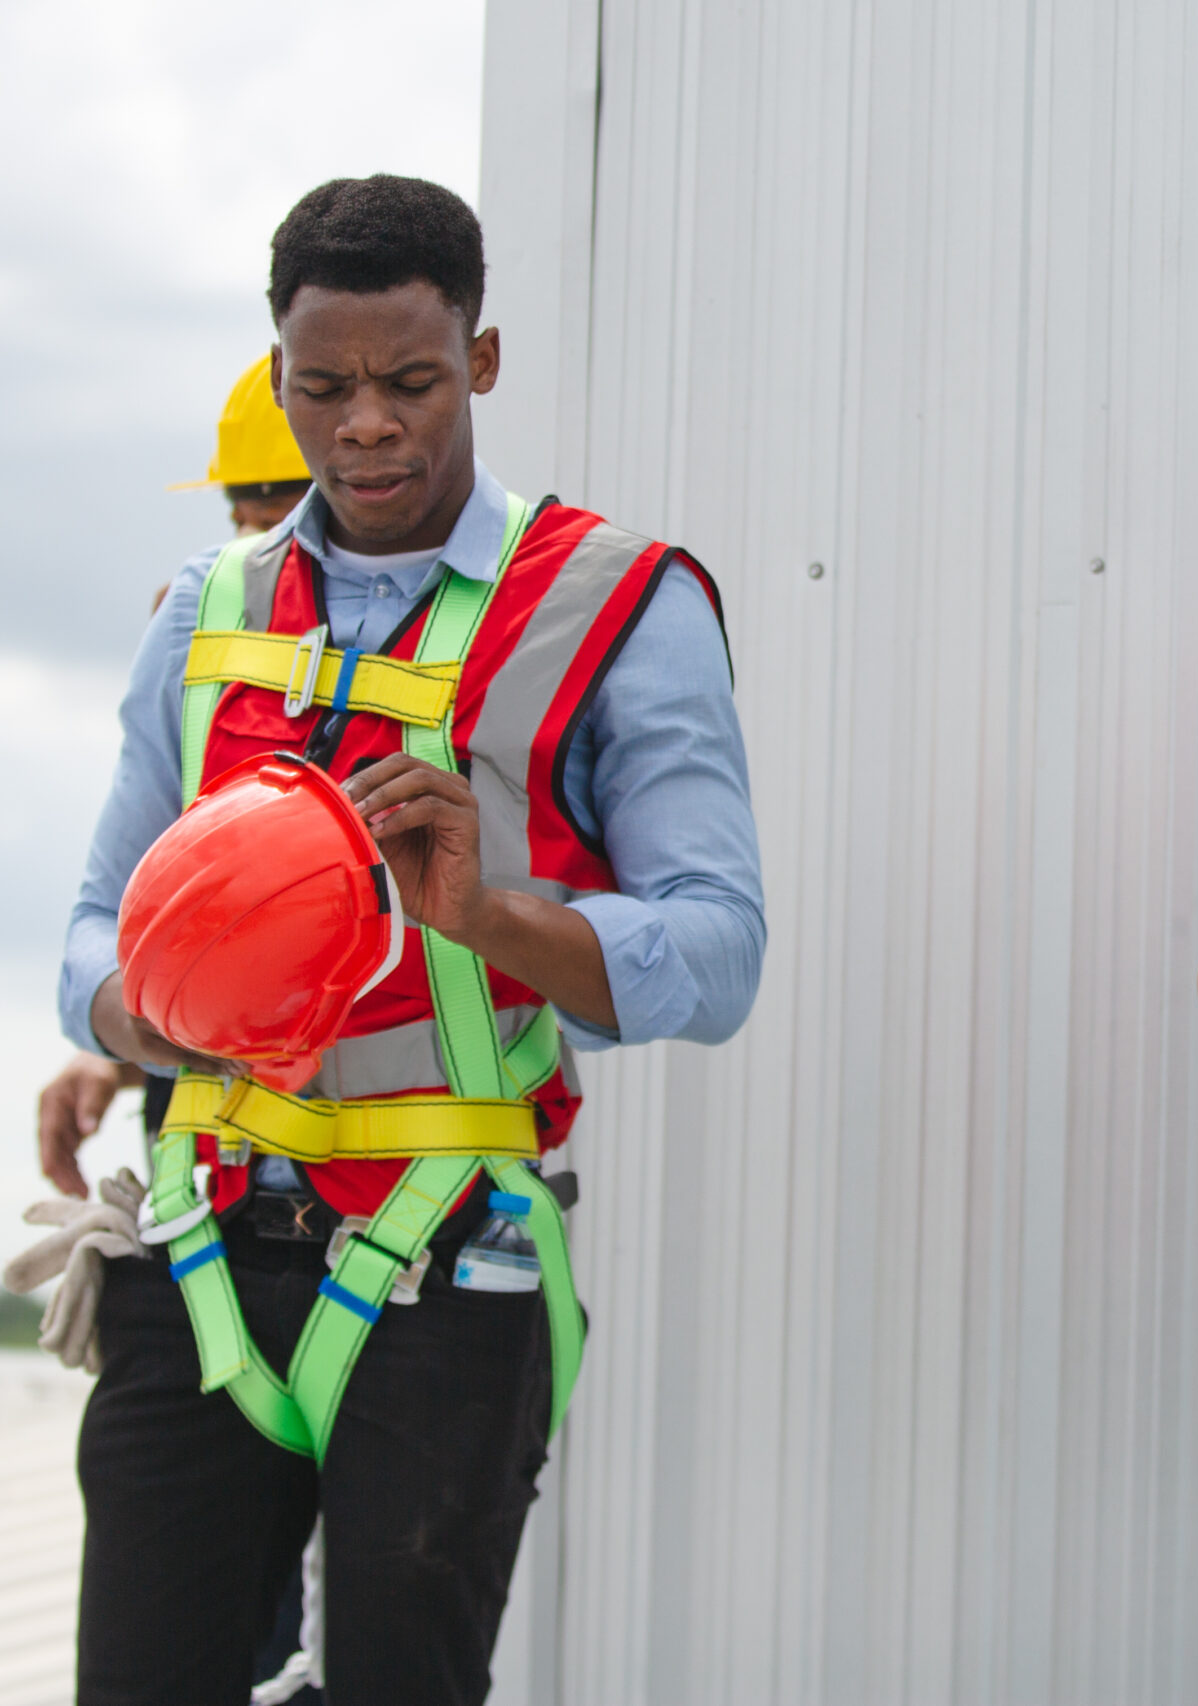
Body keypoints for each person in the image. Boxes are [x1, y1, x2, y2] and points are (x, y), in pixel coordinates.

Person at [55, 175, 765, 1706]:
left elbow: (718, 957)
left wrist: (494, 912)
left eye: (410, 381)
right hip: (197, 1248)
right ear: (279, 379)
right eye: (324, 388)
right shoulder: (206, 609)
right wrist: (152, 1014)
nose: (367, 424)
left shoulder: (617, 603)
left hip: (452, 1264)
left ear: (483, 361)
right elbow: (88, 933)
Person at [36, 354, 317, 1197]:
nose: (244, 545)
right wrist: (112, 1052)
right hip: (207, 1170)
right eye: (239, 515)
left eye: (269, 511)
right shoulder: (200, 632)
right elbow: (157, 919)